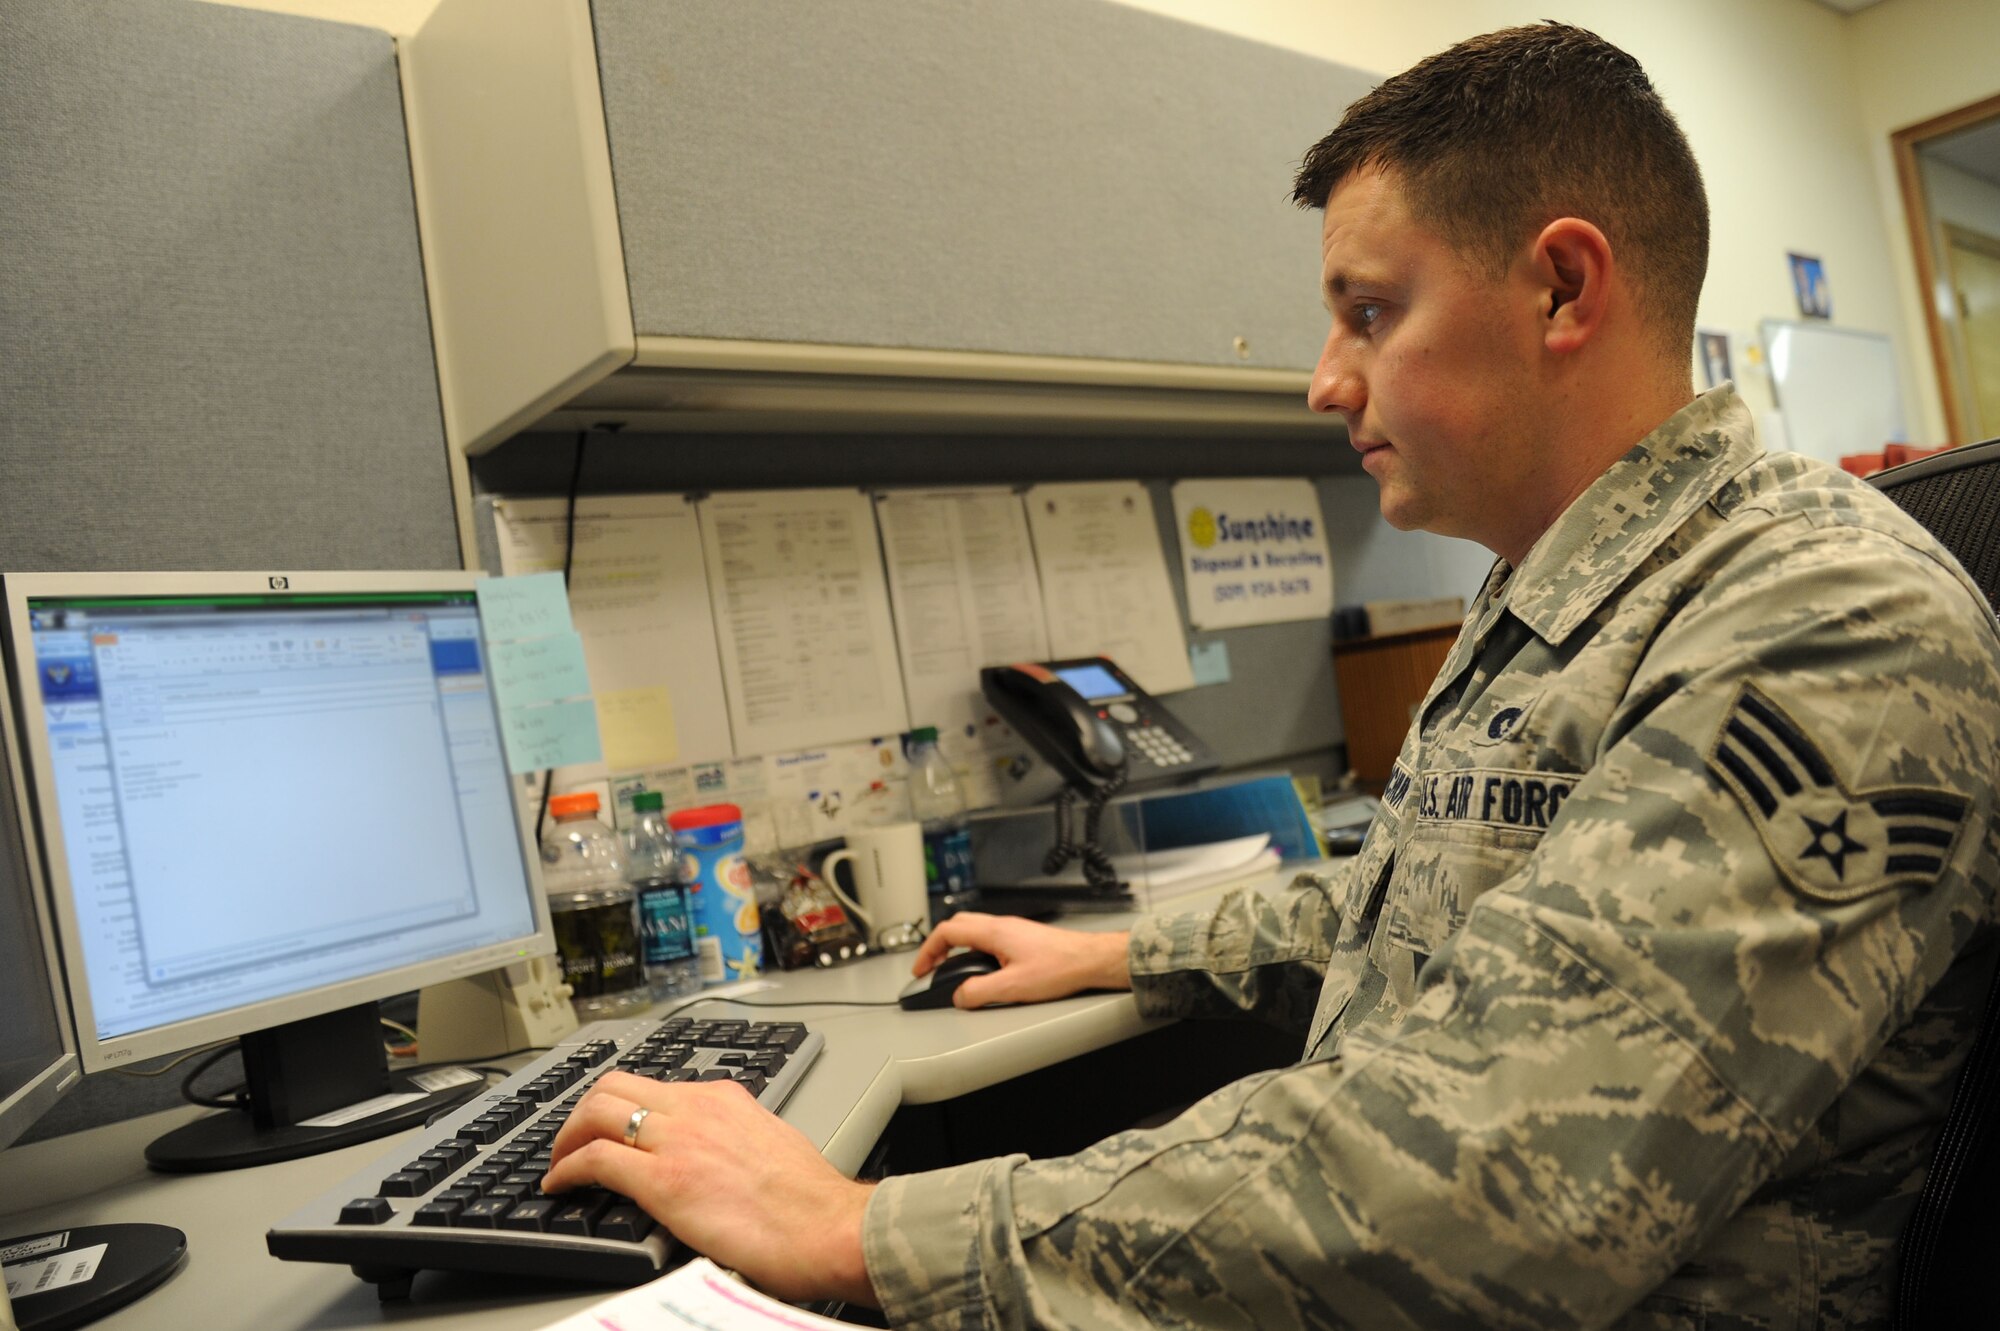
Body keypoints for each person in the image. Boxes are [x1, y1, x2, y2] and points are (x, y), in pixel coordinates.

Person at [542, 23, 2000, 1328]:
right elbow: (1435, 901)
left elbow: (1501, 1175)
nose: (1323, 379)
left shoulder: (1825, 618)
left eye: (1369, 312)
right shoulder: (1558, 587)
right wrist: (1123, 953)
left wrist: (856, 1229)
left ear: (1561, 289)